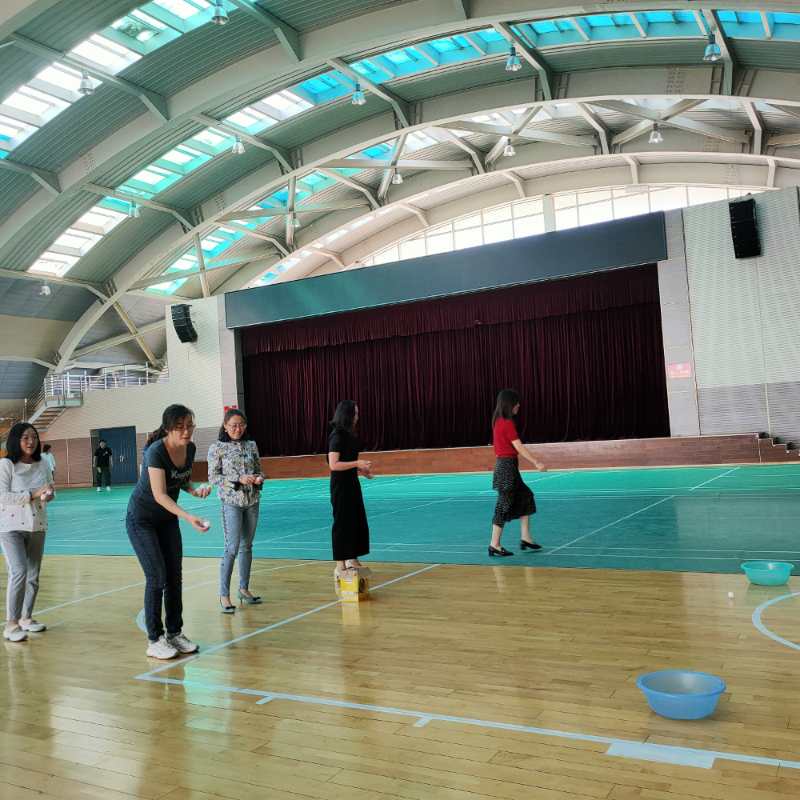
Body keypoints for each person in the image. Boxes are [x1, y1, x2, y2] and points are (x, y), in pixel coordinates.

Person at [126, 405, 211, 659]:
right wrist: (188, 516)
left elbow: (179, 479)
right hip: (142, 520)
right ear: (168, 428)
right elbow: (160, 494)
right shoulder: (156, 452)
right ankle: (154, 639)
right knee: (157, 577)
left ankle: (175, 633)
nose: (186, 431)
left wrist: (194, 489)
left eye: (189, 426)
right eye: (180, 427)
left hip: (166, 520)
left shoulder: (190, 448)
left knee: (174, 577)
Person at [0, 422, 54, 642]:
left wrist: (48, 495)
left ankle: (26, 618)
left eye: (34, 437)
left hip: (37, 524)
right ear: (16, 440)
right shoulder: (6, 465)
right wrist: (32, 494)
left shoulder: (43, 463)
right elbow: (2, 496)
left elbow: (49, 489)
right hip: (11, 527)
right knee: (19, 571)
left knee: (33, 575)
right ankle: (11, 624)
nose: (31, 441)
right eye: (25, 437)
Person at [207, 409, 264, 614]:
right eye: (233, 425)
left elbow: (259, 469)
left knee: (246, 546)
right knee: (231, 547)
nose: (237, 429)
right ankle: (224, 594)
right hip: (231, 502)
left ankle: (243, 589)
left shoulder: (251, 445)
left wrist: (259, 478)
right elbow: (213, 477)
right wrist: (237, 480)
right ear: (225, 426)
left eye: (241, 425)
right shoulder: (217, 448)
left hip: (252, 501)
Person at [488, 389, 546, 557]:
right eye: (516, 402)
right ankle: (494, 544)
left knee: (526, 496)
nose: (518, 405)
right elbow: (518, 446)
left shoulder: (498, 421)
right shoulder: (506, 423)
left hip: (508, 467)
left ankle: (526, 538)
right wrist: (536, 462)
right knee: (503, 506)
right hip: (506, 468)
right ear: (509, 404)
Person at [328, 400, 372, 579]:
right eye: (355, 413)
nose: (357, 416)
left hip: (352, 483)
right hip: (340, 487)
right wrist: (357, 463)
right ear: (347, 415)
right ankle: (340, 565)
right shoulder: (337, 436)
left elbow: (347, 461)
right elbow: (334, 465)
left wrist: (361, 470)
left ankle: (351, 558)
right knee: (342, 524)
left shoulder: (350, 435)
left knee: (356, 521)